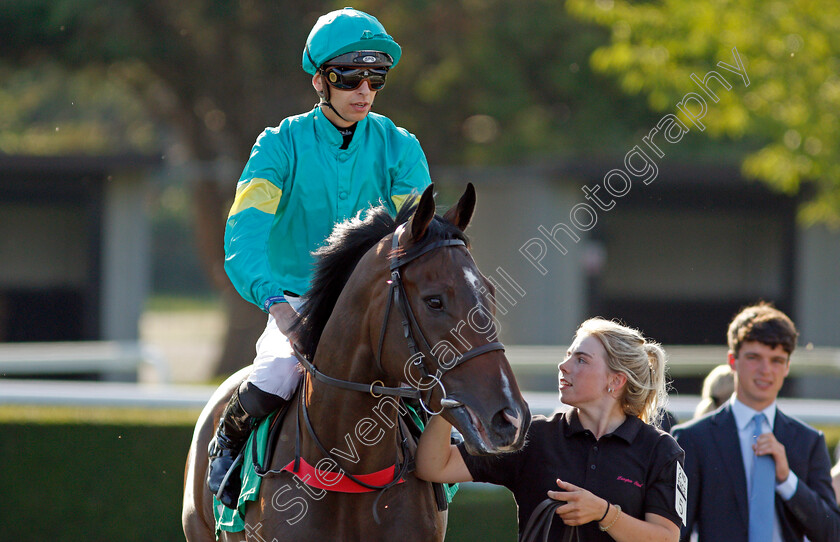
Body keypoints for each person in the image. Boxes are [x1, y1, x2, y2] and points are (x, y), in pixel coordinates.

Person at [206, 7, 432, 508]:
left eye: (375, 78)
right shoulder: (278, 145)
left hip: (378, 304)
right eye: (349, 77)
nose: (364, 90)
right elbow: (243, 237)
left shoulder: (401, 148)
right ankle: (227, 449)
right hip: (296, 301)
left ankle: (437, 486)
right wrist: (277, 305)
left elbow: (415, 240)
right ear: (320, 80)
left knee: (433, 384)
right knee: (278, 373)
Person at [416, 317, 685, 541]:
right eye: (568, 355)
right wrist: (449, 399)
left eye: (581, 360)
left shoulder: (661, 450)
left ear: (615, 380)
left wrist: (604, 513)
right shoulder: (534, 436)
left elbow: (666, 538)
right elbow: (434, 467)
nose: (563, 366)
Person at [672, 303, 840, 541]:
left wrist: (787, 480)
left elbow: (831, 533)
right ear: (733, 360)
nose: (765, 370)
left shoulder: (809, 440)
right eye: (754, 357)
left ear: (787, 366)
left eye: (777, 360)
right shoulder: (693, 438)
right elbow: (677, 531)